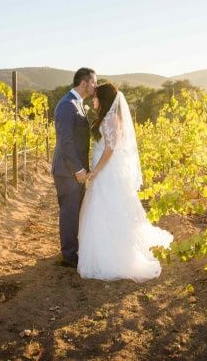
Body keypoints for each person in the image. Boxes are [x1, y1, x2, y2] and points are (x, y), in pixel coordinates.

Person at [77, 82, 173, 282]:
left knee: (108, 208)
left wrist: (95, 171)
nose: (92, 100)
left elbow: (110, 149)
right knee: (103, 209)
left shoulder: (111, 119)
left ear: (102, 99)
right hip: (104, 171)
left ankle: (114, 254)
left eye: (95, 97)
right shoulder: (106, 118)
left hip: (107, 172)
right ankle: (102, 248)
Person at [51, 67, 97, 267]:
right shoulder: (67, 105)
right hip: (67, 171)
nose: (96, 85)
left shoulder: (78, 104)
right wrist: (78, 170)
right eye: (94, 82)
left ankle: (73, 250)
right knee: (69, 212)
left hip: (76, 169)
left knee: (75, 210)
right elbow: (66, 141)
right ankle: (69, 256)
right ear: (84, 83)